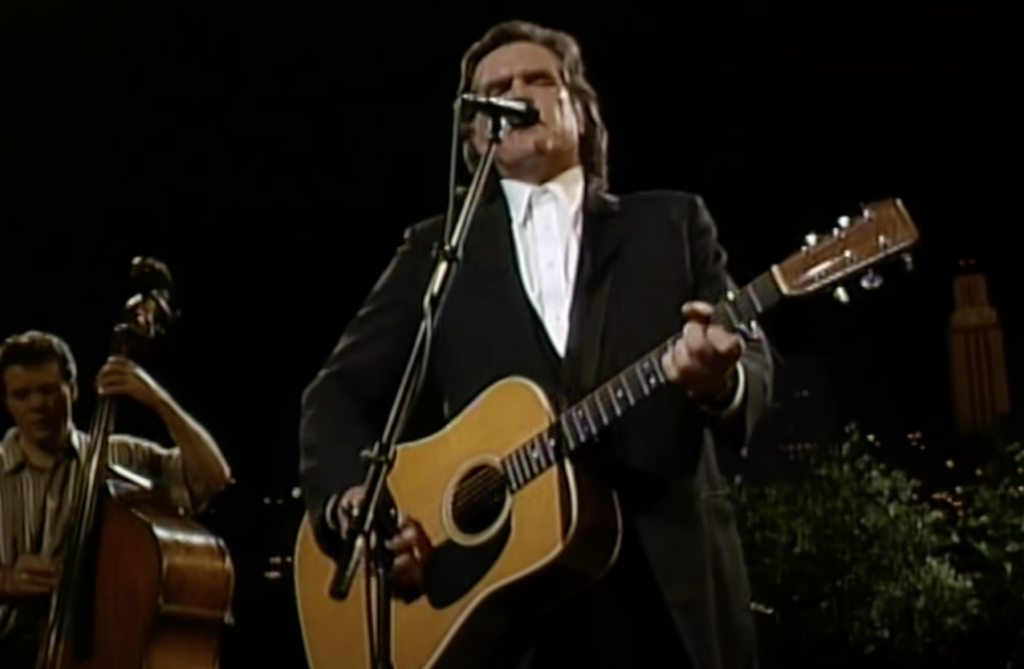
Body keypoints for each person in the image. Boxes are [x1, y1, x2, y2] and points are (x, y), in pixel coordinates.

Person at [299, 19, 772, 669]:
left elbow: (749, 359)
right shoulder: (434, 254)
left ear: (579, 109)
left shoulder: (671, 222)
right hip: (497, 620)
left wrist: (718, 379)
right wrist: (353, 504)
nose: (516, 92)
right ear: (474, 135)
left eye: (538, 80)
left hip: (667, 602)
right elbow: (337, 395)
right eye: (496, 88)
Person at [0, 330, 232, 666]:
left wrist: (157, 400)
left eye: (49, 390)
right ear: (6, 403)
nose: (38, 404)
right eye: (22, 395)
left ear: (73, 389)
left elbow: (215, 476)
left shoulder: (121, 457)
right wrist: (6, 579)